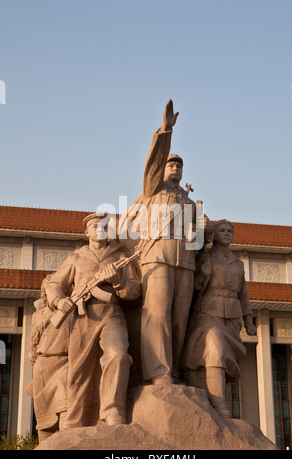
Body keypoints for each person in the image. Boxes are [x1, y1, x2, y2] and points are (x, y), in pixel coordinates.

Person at [127, 99, 213, 385]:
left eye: (179, 165)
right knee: (157, 314)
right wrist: (166, 130)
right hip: (157, 255)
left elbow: (202, 239)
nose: (174, 168)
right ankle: (158, 372)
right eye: (170, 164)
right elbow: (152, 162)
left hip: (185, 260)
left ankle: (174, 371)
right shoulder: (152, 190)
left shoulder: (188, 202)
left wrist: (202, 231)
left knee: (179, 319)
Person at [45, 213, 141, 428]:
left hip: (112, 313)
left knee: (117, 355)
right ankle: (75, 420)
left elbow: (135, 290)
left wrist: (118, 281)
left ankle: (113, 411)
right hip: (82, 317)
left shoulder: (119, 257)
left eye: (104, 226)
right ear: (86, 232)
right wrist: (60, 302)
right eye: (95, 226)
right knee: (79, 370)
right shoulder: (76, 258)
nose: (100, 229)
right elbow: (54, 285)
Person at [181, 219, 256, 417]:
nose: (226, 233)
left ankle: (214, 400)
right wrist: (200, 277)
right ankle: (219, 405)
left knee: (222, 355)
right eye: (222, 230)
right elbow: (189, 289)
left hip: (231, 318)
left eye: (230, 231)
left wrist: (248, 320)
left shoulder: (238, 263)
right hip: (208, 313)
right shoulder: (204, 258)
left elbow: (244, 294)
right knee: (214, 346)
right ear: (214, 234)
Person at [26, 274, 70, 441]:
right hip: (43, 366)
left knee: (65, 405)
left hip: (64, 363)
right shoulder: (38, 315)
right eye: (46, 290)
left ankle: (66, 441)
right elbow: (32, 346)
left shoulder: (71, 312)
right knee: (43, 417)